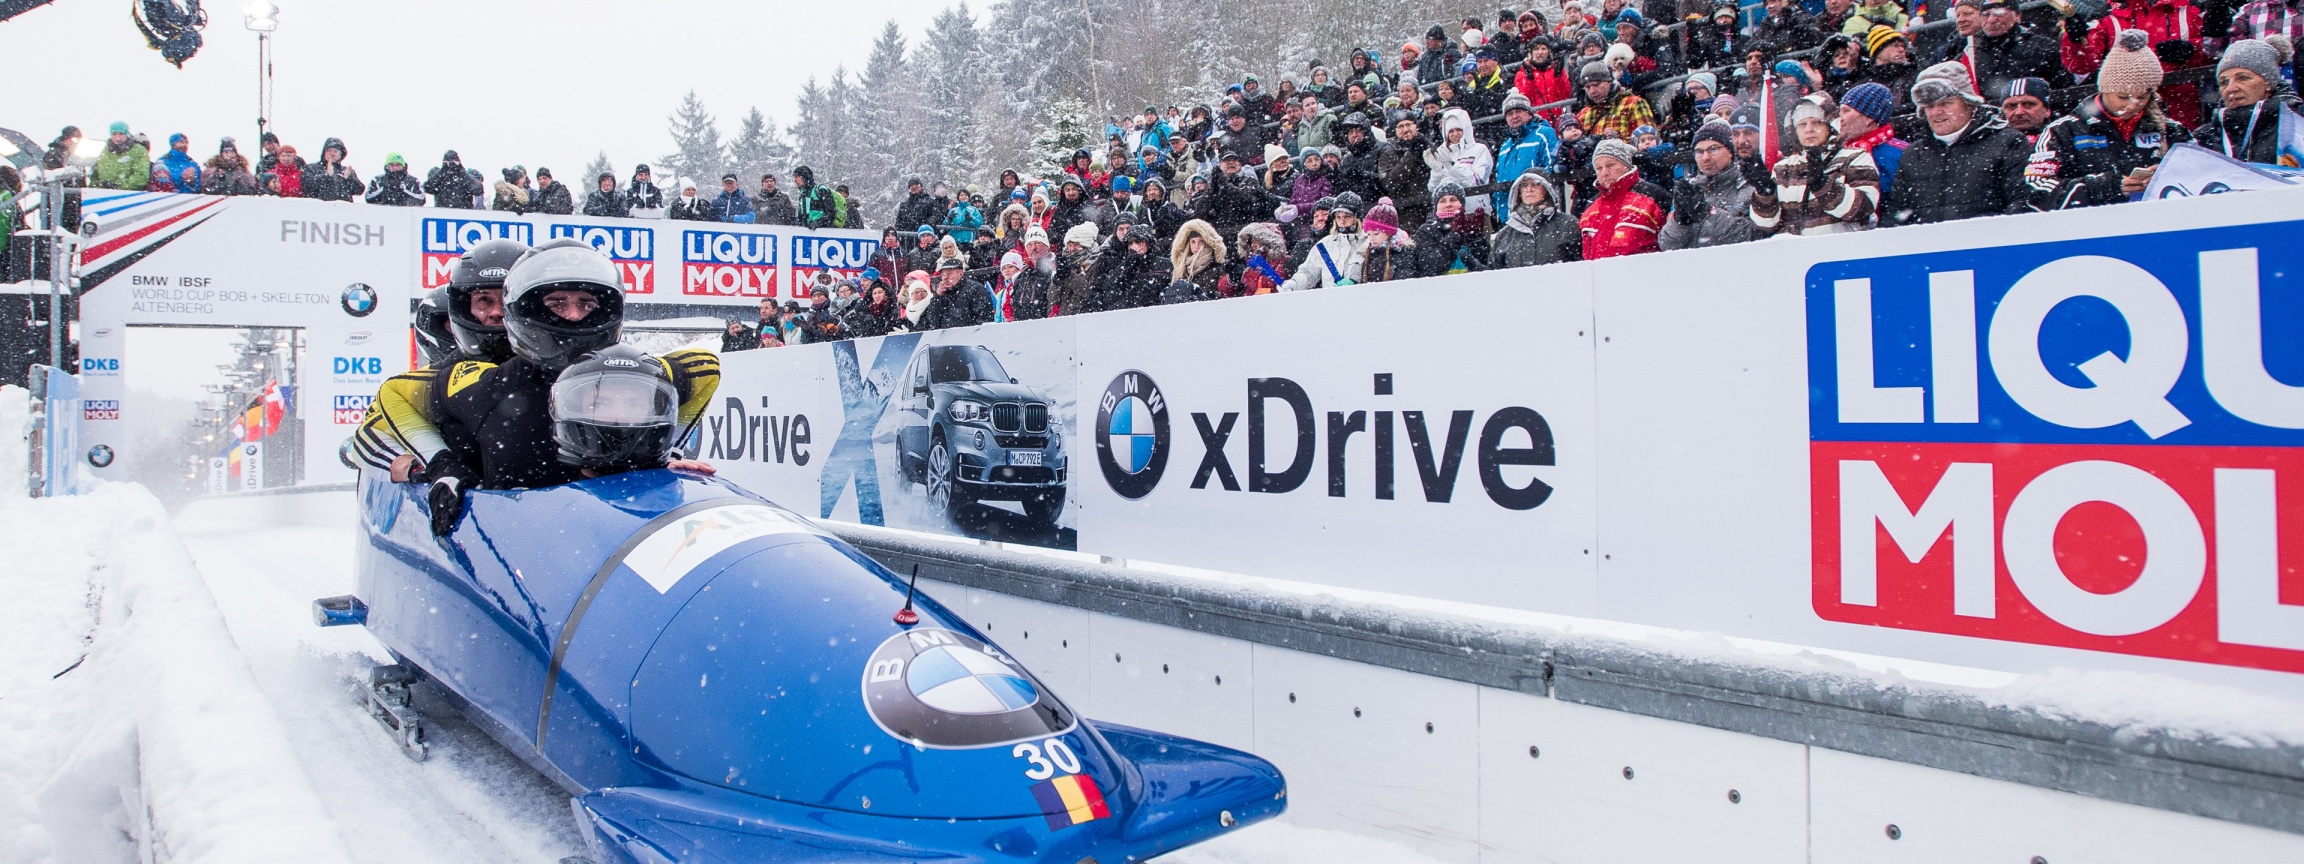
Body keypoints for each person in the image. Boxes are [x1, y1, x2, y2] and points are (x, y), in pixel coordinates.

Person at [2029, 30, 2190, 210]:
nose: (2133, 104)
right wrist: (2105, 188)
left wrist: (2164, 178)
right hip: (2091, 229)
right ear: (2104, 89)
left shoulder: (2172, 130)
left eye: (2143, 97)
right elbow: (2035, 187)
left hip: (2158, 223)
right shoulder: (2063, 130)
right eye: (2123, 96)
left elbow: (2201, 178)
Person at [1882, 62, 2034, 225]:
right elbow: (1895, 214)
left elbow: (2022, 204)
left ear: (1968, 103)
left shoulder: (2009, 142)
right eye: (1929, 106)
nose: (1936, 112)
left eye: (1945, 103)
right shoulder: (1913, 154)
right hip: (1928, 247)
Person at [2061, 0, 2210, 128]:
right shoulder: (2106, 16)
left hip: (2188, 112)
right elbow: (2082, 66)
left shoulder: (2191, 7)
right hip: (2127, 119)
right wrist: (2076, 40)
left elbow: (2217, 52)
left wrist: (2192, 50)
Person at [1752, 95, 1882, 234]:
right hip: (1795, 252)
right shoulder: (1782, 168)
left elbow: (1863, 208)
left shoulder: (1855, 157)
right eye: (1802, 124)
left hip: (1841, 250)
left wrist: (1823, 184)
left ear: (1831, 126)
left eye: (1817, 122)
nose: (1809, 129)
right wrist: (1765, 194)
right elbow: (1765, 225)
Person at [2195, 39, 2301, 164]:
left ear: (2268, 83)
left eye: (2243, 78)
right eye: (2224, 82)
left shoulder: (2298, 122)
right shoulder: (2205, 136)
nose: (2231, 88)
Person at [1660, 125, 1760, 250]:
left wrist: (1708, 213)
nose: (1706, 157)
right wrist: (1680, 221)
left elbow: (1752, 234)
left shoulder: (1750, 186)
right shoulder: (1691, 189)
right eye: (1699, 152)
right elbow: (1666, 245)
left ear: (1730, 152)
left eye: (1713, 149)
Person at [1580, 138, 1665, 259]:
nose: (1604, 172)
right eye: (1599, 168)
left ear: (1626, 165)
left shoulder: (1654, 195)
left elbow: (1672, 242)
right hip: (1599, 277)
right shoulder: (1590, 207)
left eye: (1610, 165)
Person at [1281, 192, 1371, 290]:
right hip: (1329, 301)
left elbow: (1376, 275)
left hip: (1360, 301)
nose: (1342, 221)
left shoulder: (1368, 243)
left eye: (1347, 216)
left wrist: (1356, 282)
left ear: (1357, 217)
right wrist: (1294, 283)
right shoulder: (1325, 244)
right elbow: (1308, 273)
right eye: (1338, 217)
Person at [1489, 172, 1579, 268]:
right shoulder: (1505, 234)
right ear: (1519, 191)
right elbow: (1493, 275)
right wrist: (1471, 260)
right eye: (1524, 185)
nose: (1529, 189)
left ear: (1547, 189)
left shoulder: (1568, 224)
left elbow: (1581, 267)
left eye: (1536, 184)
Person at [1837, 82, 1909, 199]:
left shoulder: (1900, 153)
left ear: (1869, 118)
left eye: (1846, 111)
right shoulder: (1838, 151)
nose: (1840, 118)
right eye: (1840, 111)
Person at [1412, 185, 1490, 277]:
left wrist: (1476, 238)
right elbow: (1430, 267)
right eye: (1442, 201)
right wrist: (1455, 236)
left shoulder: (1468, 227)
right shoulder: (1425, 231)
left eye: (1453, 199)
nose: (1448, 204)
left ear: (1462, 204)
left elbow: (1486, 263)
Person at [1576, 62, 1656, 140]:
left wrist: (1617, 142)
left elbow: (1648, 141)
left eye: (1596, 85)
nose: (1592, 91)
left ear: (1609, 83)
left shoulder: (1634, 104)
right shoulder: (1583, 115)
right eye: (1587, 87)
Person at [919, 257, 996, 328]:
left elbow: (984, 319)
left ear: (960, 273)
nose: (945, 277)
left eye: (949, 273)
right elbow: (932, 321)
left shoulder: (975, 289)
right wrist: (937, 297)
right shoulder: (942, 294)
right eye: (943, 274)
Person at [1168, 219, 1229, 303]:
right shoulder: (1180, 269)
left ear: (1207, 242)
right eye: (1193, 241)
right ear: (1188, 244)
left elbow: (1224, 295)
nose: (1196, 245)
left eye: (1201, 241)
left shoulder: (1216, 269)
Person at [91, 122, 151, 190]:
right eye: (114, 134)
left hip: (128, 196)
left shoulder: (138, 150)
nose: (118, 137)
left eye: (121, 134)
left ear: (127, 134)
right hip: (101, 195)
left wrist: (119, 186)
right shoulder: (104, 151)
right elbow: (94, 176)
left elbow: (141, 176)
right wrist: (97, 187)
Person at [1998, 77, 2058, 141]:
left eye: (2028, 104)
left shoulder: (2063, 141)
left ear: (2047, 110)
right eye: (2011, 106)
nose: (2019, 112)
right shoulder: (1991, 143)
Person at [302, 138, 360, 202]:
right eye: (329, 151)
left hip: (343, 209)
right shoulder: (311, 168)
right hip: (318, 208)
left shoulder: (346, 171)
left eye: (335, 151)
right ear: (324, 153)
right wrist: (326, 176)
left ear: (341, 155)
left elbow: (359, 190)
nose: (332, 154)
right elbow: (306, 186)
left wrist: (349, 179)